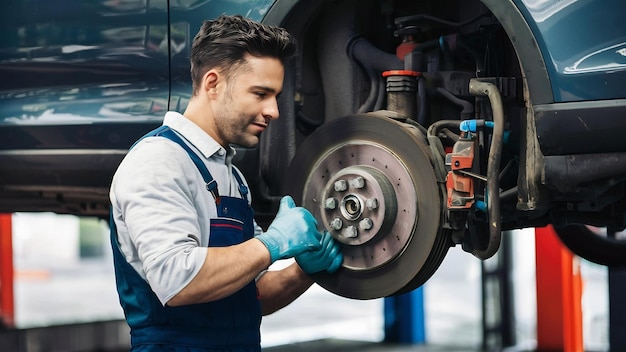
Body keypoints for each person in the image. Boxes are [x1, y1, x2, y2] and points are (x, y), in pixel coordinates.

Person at [109, 14, 343, 351]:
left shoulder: (230, 176)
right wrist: (273, 243)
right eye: (260, 93)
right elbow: (177, 282)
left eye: (275, 96)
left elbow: (251, 296)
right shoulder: (159, 161)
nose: (274, 111)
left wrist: (304, 272)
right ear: (213, 84)